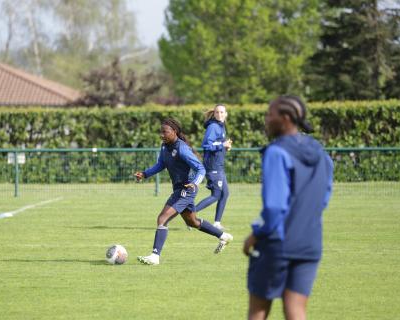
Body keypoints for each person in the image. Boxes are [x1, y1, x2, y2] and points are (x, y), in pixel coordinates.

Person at [242, 95, 333, 320]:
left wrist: (255, 235)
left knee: (258, 311)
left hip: (278, 244)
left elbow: (274, 207)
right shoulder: (320, 152)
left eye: (269, 114)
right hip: (310, 242)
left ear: (285, 118)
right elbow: (324, 197)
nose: (266, 119)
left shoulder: (276, 152)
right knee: (296, 310)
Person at [134, 118, 233, 265]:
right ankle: (223, 236)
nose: (162, 135)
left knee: (162, 219)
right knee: (192, 221)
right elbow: (161, 164)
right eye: (161, 132)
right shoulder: (164, 147)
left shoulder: (181, 148)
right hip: (179, 189)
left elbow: (201, 168)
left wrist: (194, 183)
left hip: (186, 189)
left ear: (174, 132)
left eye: (165, 132)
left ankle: (155, 256)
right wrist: (145, 173)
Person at [195, 104, 232, 230]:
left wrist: (225, 146)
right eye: (217, 112)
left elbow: (217, 144)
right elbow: (206, 145)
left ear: (226, 114)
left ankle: (217, 223)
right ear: (214, 114)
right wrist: (222, 145)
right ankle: (191, 214)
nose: (220, 114)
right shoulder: (213, 127)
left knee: (225, 194)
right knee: (216, 195)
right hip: (213, 166)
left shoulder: (221, 127)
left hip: (218, 165)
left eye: (222, 112)